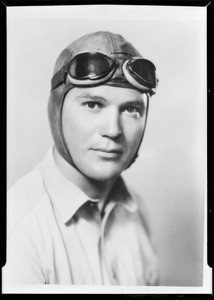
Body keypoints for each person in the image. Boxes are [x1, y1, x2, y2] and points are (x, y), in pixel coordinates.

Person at [4, 31, 159, 285]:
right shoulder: (18, 229)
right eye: (93, 105)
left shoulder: (137, 210)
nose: (113, 130)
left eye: (131, 109)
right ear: (57, 109)